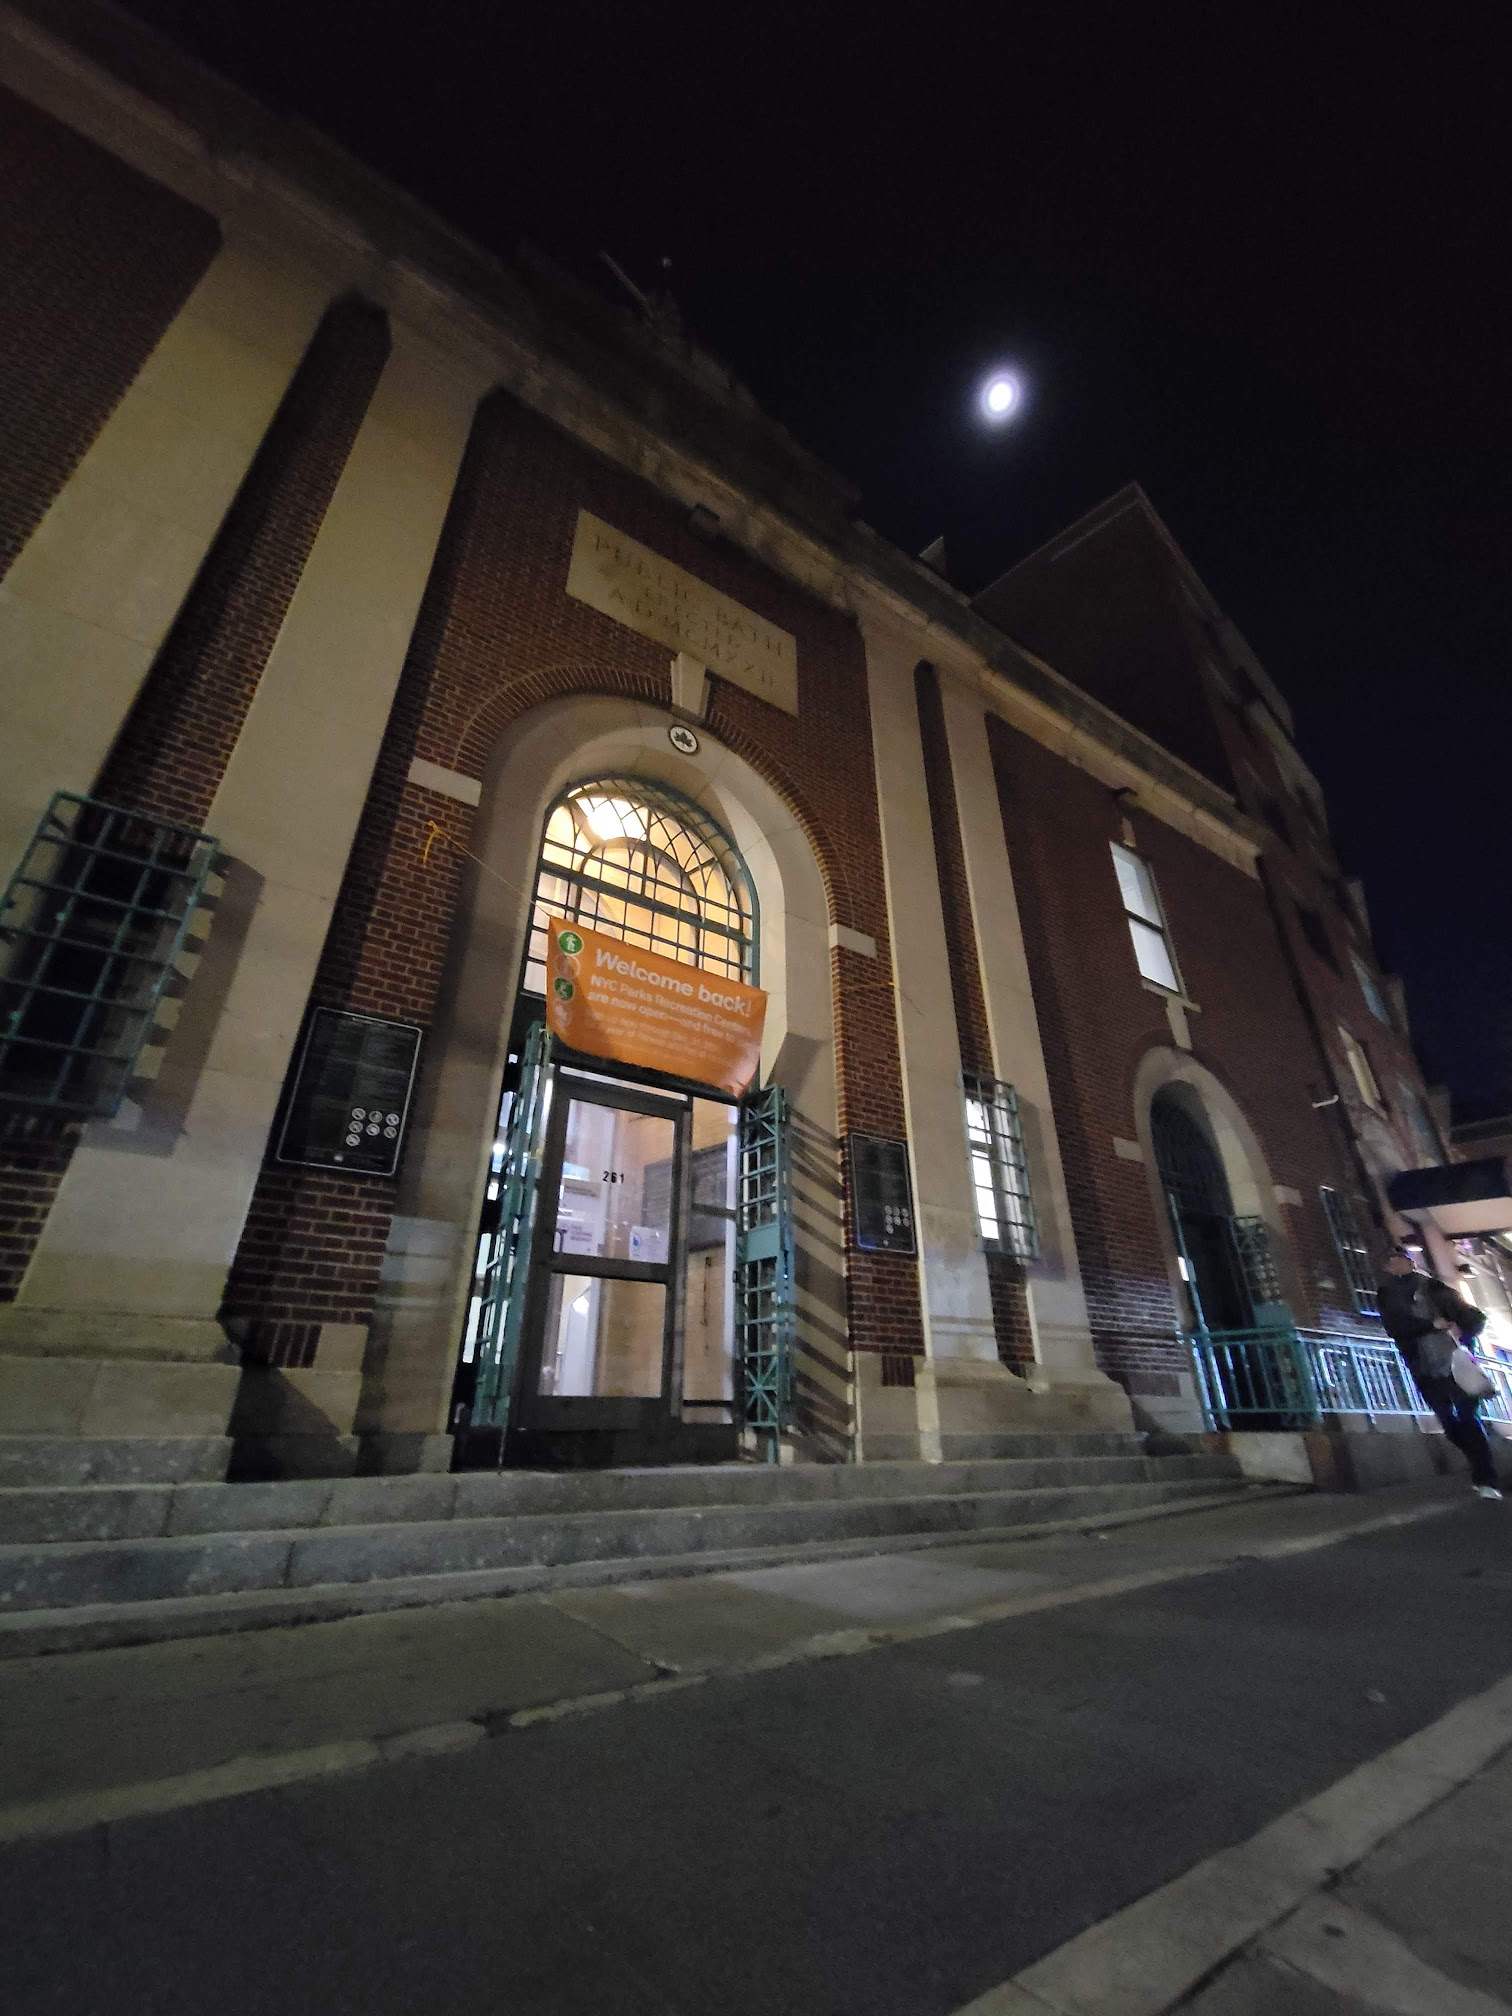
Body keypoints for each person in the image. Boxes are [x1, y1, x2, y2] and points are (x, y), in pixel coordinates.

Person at [1376, 1246, 1502, 1498]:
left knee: (1468, 1417)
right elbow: (1395, 1328)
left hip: (1455, 1363)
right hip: (1424, 1366)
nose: (1397, 1265)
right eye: (1392, 1261)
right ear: (1387, 1268)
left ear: (1411, 1263)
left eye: (1401, 1259)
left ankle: (1486, 1478)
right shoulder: (1387, 1295)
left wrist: (1461, 1332)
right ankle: (1479, 1463)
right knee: (1449, 1424)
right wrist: (1430, 1325)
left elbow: (1473, 1317)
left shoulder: (1434, 1288)